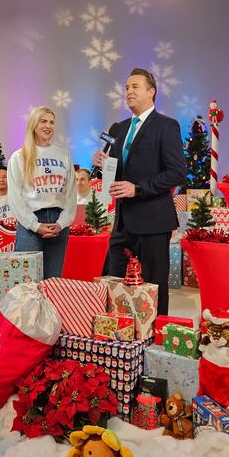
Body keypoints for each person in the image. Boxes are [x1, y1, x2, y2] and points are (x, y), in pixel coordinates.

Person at [93, 68, 185, 316]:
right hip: (122, 222)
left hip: (153, 222)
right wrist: (103, 166)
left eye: (135, 86)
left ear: (151, 91)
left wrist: (138, 188)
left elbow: (177, 173)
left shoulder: (166, 126)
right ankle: (119, 331)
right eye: (126, 87)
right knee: (115, 282)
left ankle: (154, 334)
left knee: (153, 287)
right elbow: (118, 174)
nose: (129, 91)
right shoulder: (120, 128)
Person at [7, 106, 77, 279]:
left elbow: (70, 194)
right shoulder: (19, 157)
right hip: (30, 223)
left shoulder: (64, 154)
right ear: (33, 124)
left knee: (52, 281)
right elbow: (15, 197)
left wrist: (61, 223)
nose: (48, 126)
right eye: (43, 121)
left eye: (52, 122)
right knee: (26, 282)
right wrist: (35, 225)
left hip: (58, 224)